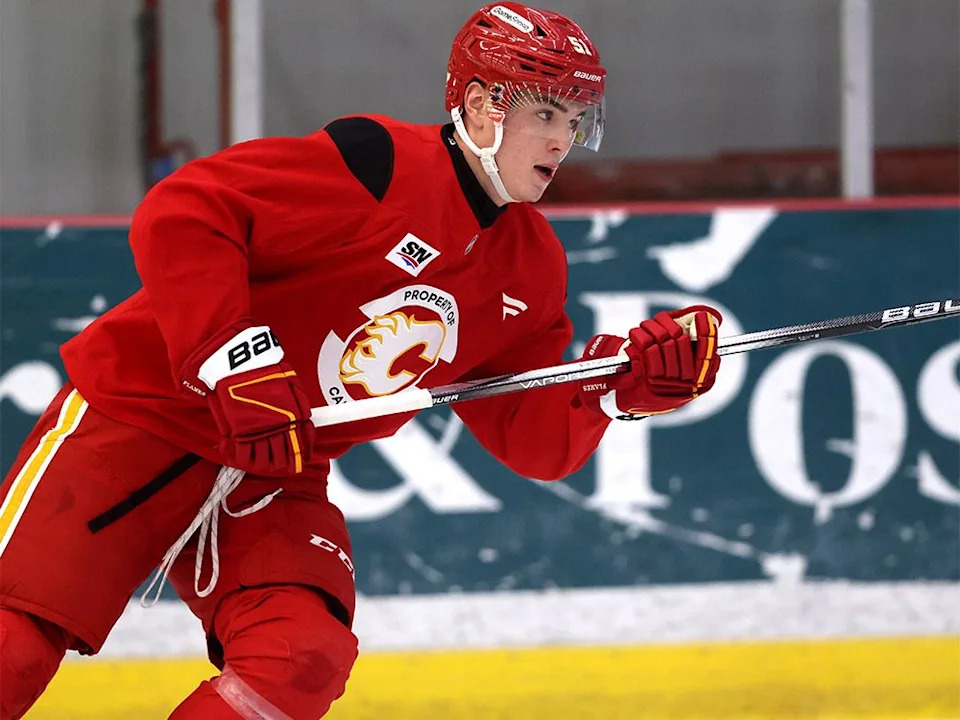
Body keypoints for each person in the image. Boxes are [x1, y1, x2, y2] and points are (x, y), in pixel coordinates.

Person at [0, 3, 721, 718]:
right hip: (138, 419)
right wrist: (232, 360)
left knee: (300, 658)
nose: (563, 141)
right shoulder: (375, 165)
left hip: (272, 470)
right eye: (547, 115)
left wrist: (612, 392)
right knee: (15, 649)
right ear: (478, 106)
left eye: (576, 121)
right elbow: (188, 209)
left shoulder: (529, 270)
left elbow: (528, 437)